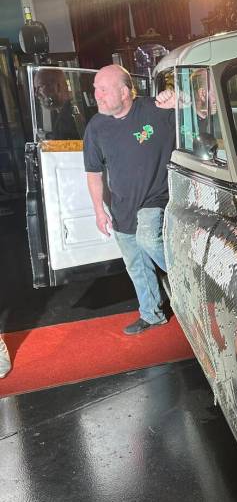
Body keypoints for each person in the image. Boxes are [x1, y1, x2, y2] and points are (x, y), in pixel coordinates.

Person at [84, 65, 176, 335]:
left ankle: (188, 277)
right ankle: (152, 314)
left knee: (148, 238)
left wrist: (180, 100)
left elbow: (203, 114)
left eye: (103, 89)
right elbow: (93, 173)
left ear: (125, 92)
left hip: (156, 197)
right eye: (95, 90)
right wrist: (98, 210)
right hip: (122, 207)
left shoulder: (156, 109)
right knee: (136, 264)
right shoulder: (96, 127)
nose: (96, 95)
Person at [33, 67, 80, 140]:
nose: (36, 94)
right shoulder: (71, 110)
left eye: (40, 87)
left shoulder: (67, 119)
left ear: (57, 87)